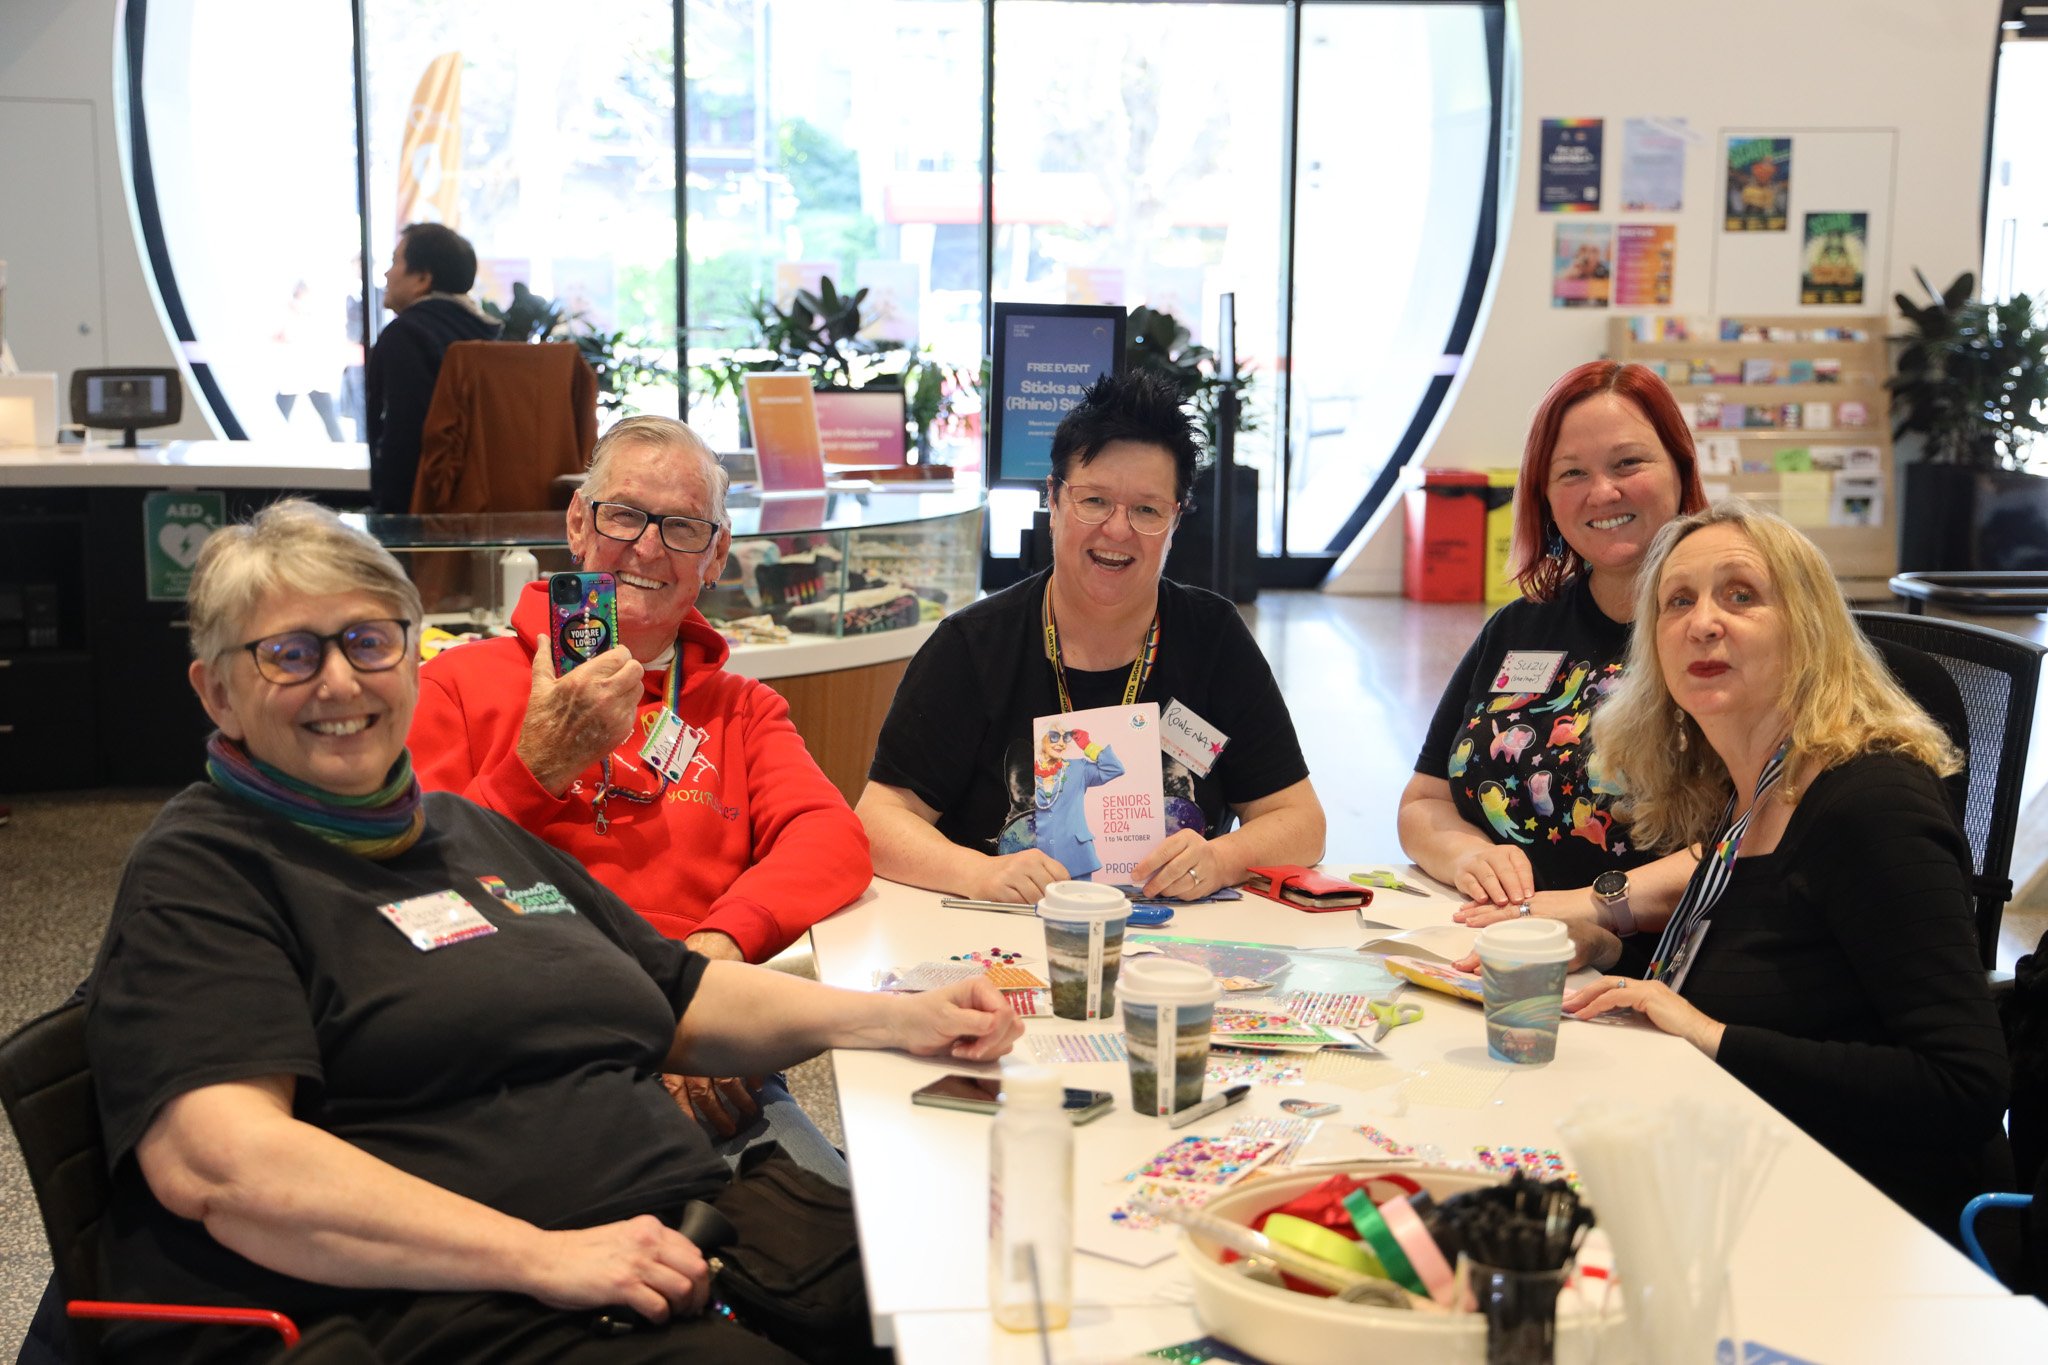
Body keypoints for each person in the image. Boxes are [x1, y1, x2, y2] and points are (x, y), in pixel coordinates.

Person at [83, 500, 1021, 1363]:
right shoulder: (207, 868)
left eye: (369, 642)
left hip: (687, 1231)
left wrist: (897, 1018)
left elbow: (681, 996)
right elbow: (223, 1164)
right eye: (290, 654)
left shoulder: (460, 831)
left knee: (986, 1294)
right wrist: (542, 1258)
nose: (340, 680)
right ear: (216, 693)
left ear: (412, 656)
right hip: (470, 1300)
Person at [412, 416, 871, 1143]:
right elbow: (412, 891)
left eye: (684, 527)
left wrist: (709, 965)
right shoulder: (455, 686)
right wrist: (536, 768)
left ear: (717, 555)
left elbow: (833, 841)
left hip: (700, 1055)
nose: (649, 547)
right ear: (577, 523)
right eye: (625, 514)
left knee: (832, 1242)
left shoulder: (743, 710)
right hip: (513, 1059)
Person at [1561, 502, 2010, 1240]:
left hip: (1865, 1226)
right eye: (1679, 600)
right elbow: (1783, 974)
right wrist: (1616, 952)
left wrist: (1711, 1033)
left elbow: (1962, 1086)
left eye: (1741, 595)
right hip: (1743, 1168)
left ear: (1809, 631)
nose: (1703, 622)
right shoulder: (1750, 788)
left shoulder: (1870, 804)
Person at [858, 370, 1324, 904]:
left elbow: (1301, 821)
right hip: (1001, 934)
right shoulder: (972, 648)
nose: (1118, 531)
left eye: (1147, 509)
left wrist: (1221, 859)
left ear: (1175, 521)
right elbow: (879, 820)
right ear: (1053, 501)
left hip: (1177, 945)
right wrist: (976, 873)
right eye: (1095, 501)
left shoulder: (1212, 639)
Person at [1399, 361, 1707, 946]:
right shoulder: (1520, 627)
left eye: (1628, 463)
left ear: (1680, 467)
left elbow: (1752, 839)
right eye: (1571, 472)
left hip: (1651, 964)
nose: (1602, 492)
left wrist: (1586, 909)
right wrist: (1466, 855)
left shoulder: (1716, 632)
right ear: (1543, 495)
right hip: (1498, 941)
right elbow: (1425, 800)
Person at [365, 223, 501, 512]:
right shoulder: (492, 335)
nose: (387, 274)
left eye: (394, 262)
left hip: (422, 521)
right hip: (488, 513)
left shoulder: (406, 336)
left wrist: (391, 520)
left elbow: (402, 442)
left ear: (423, 278)